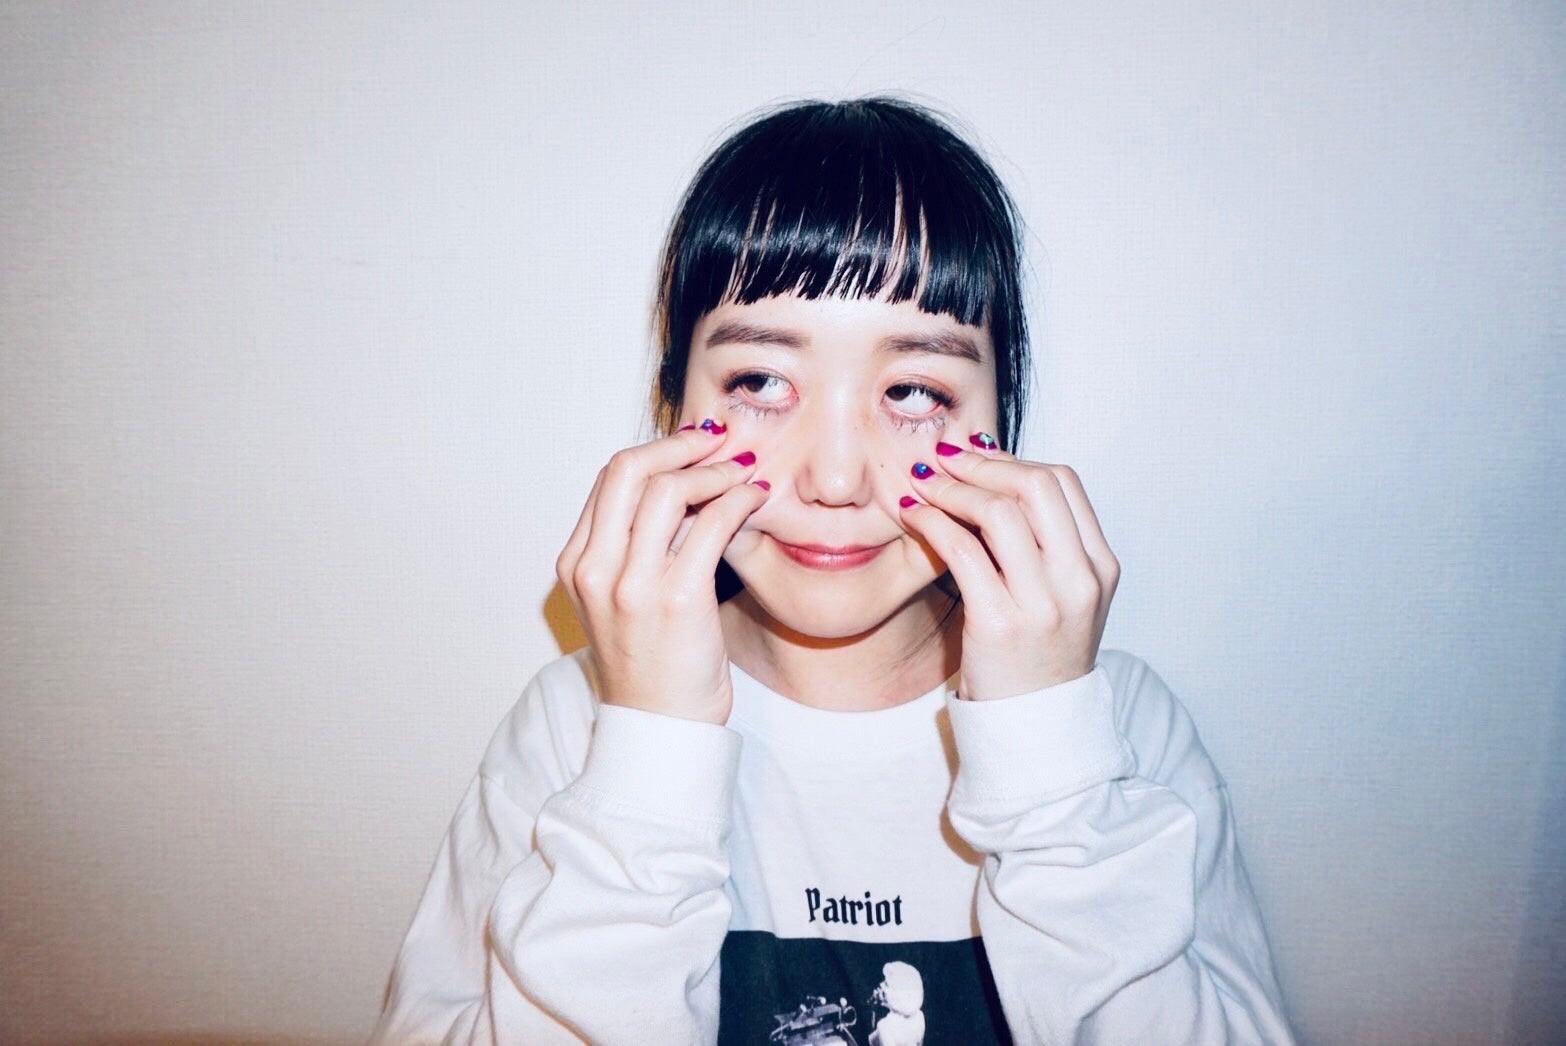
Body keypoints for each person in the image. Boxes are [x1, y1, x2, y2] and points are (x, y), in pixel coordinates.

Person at [369, 97, 1294, 1044]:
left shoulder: (1112, 731)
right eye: (761, 383)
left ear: (1000, 425)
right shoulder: (576, 727)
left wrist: (1051, 766)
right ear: (672, 410)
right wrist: (649, 756)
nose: (838, 478)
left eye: (914, 391)